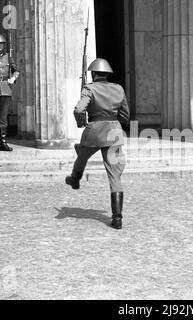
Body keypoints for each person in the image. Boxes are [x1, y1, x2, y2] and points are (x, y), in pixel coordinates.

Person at [65, 58, 130, 230]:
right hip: (114, 132)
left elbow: (79, 110)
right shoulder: (118, 89)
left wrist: (80, 122)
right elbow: (125, 114)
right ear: (108, 74)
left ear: (93, 74)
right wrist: (117, 123)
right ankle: (117, 218)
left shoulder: (90, 88)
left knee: (82, 154)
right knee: (115, 175)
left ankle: (75, 179)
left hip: (94, 131)